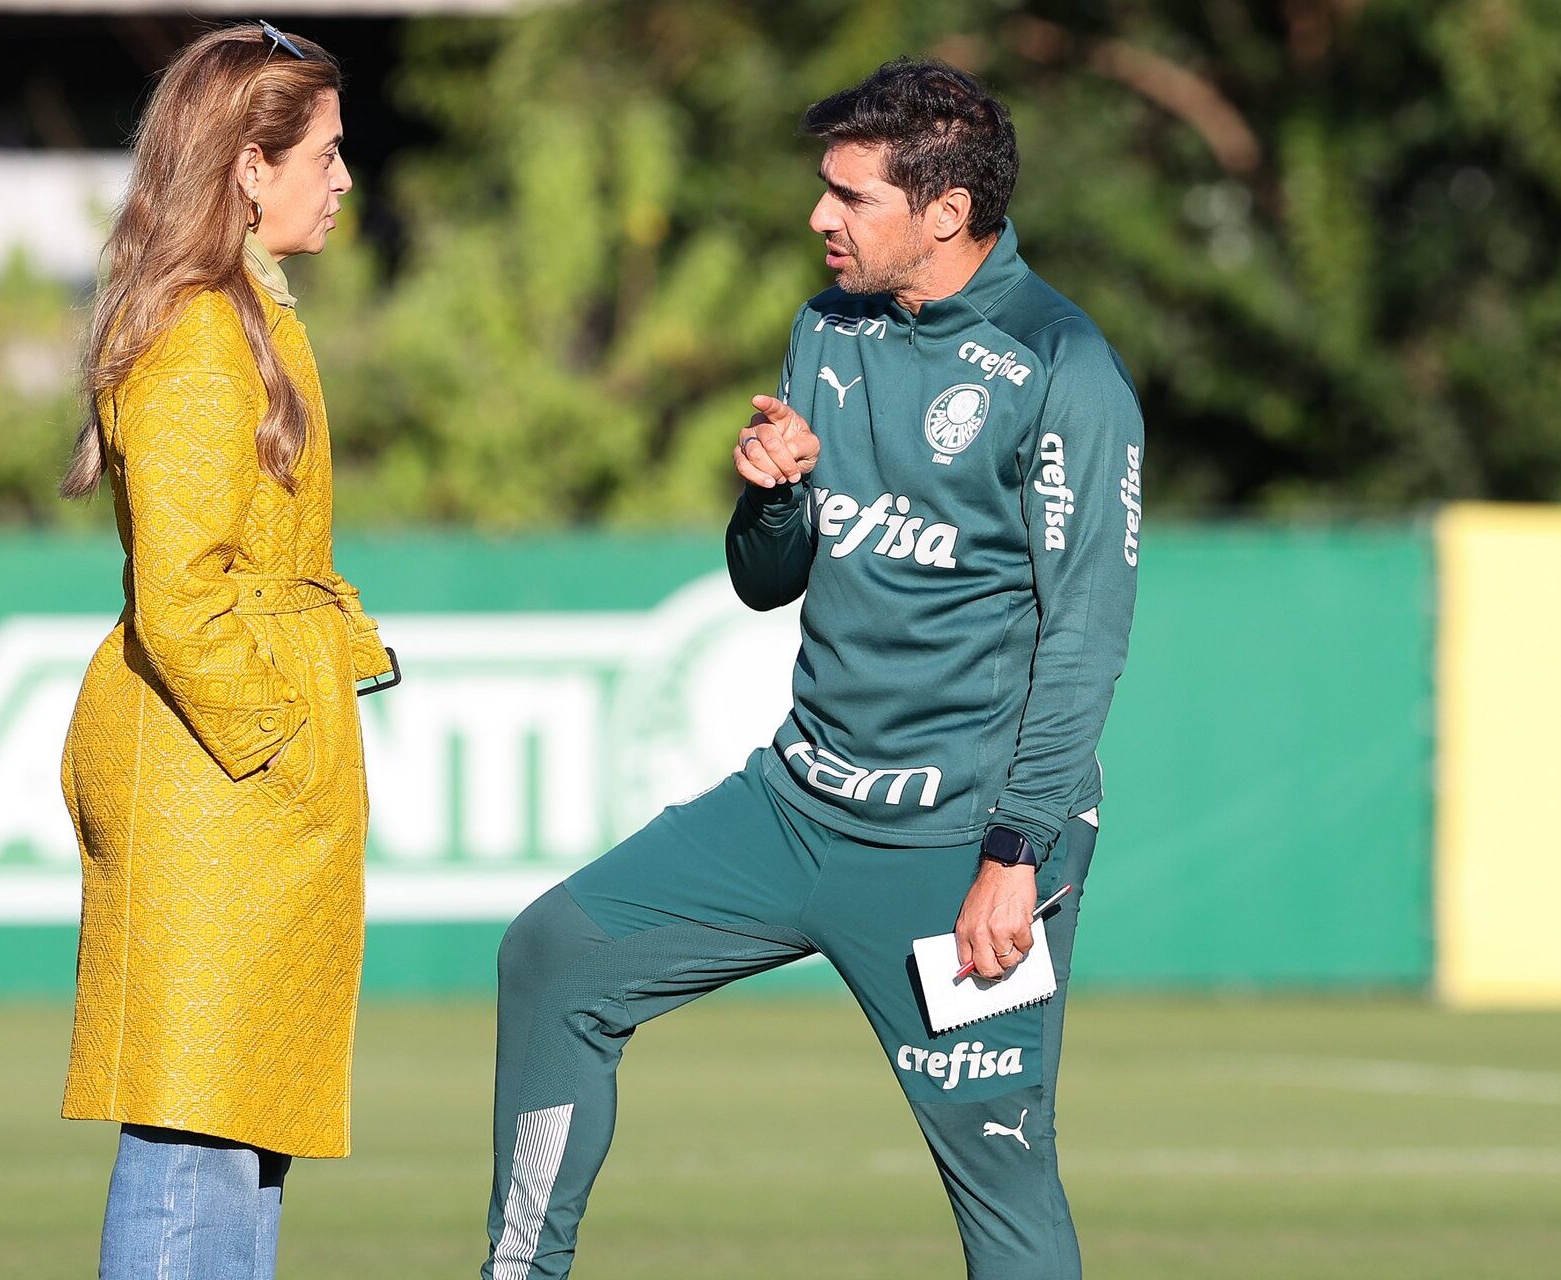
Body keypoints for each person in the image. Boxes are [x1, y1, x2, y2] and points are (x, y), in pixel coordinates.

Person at [482, 58, 1142, 1280]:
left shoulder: (1064, 369)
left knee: (1002, 1176)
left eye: (848, 196)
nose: (817, 220)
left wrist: (1014, 853)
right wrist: (771, 495)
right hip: (792, 807)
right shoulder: (826, 326)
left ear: (942, 211)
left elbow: (1086, 633)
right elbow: (764, 578)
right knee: (555, 951)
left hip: (957, 853)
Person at [55, 23, 397, 1280]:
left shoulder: (243, 314)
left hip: (238, 778)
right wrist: (281, 735)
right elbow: (181, 597)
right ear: (249, 167)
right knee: (196, 1123)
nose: (344, 176)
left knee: (243, 1127)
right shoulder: (202, 330)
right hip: (212, 775)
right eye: (326, 149)